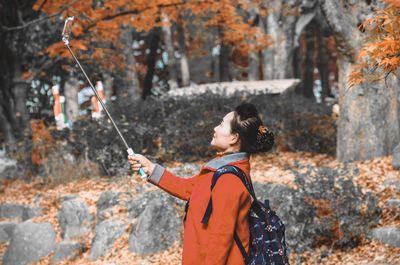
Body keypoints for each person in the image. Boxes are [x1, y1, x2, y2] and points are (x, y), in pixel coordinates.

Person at [128, 103, 274, 265]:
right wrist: (150, 169)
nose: (215, 128)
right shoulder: (221, 171)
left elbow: (221, 239)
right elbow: (188, 189)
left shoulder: (229, 181)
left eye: (221, 124)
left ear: (234, 138)